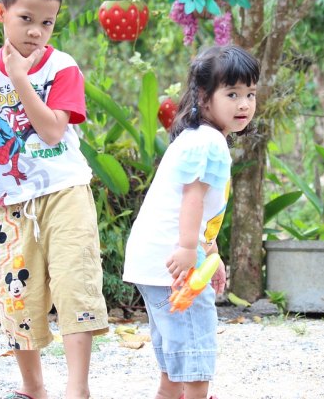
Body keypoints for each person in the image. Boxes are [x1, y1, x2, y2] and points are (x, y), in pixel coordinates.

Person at [0, 0, 108, 399]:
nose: (37, 31)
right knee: (15, 295)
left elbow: (54, 131)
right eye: (26, 19)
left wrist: (21, 78)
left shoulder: (63, 67)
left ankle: (78, 390)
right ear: (0, 13)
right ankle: (33, 388)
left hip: (65, 191)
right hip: (9, 199)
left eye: (47, 22)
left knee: (76, 283)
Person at [123, 45, 260, 399]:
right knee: (195, 336)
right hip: (173, 260)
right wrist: (187, 250)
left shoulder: (196, 138)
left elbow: (202, 213)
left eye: (250, 94)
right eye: (232, 94)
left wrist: (209, 255)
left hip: (153, 258)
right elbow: (193, 199)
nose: (244, 104)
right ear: (204, 96)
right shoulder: (209, 143)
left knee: (175, 341)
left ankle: (170, 394)